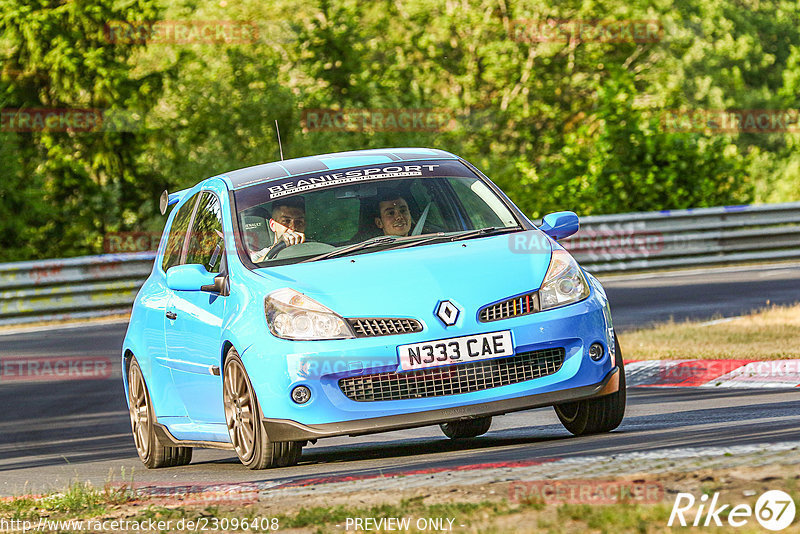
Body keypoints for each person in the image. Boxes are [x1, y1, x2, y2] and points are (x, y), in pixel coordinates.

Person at [250, 197, 306, 262]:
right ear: (272, 225)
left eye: (299, 222)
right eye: (286, 221)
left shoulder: (314, 249)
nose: (292, 228)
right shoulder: (259, 256)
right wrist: (277, 248)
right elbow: (253, 267)